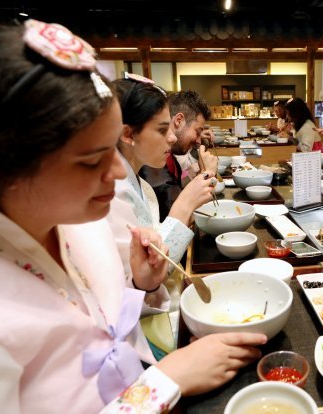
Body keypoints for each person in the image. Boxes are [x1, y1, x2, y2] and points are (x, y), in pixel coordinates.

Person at [0, 20, 266, 413]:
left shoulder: (74, 218)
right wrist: (164, 382)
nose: (117, 172)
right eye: (90, 160)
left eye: (111, 149)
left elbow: (106, 317)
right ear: (5, 163)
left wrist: (142, 282)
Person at [108, 74, 217, 354]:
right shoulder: (111, 191)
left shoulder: (139, 182)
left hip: (153, 308)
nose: (171, 137)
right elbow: (154, 269)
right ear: (128, 134)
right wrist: (184, 206)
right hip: (134, 331)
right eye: (161, 129)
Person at [165, 90, 218, 187]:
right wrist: (205, 174)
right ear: (179, 121)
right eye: (197, 132)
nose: (198, 141)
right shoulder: (157, 159)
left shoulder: (171, 155)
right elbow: (170, 201)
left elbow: (175, 189)